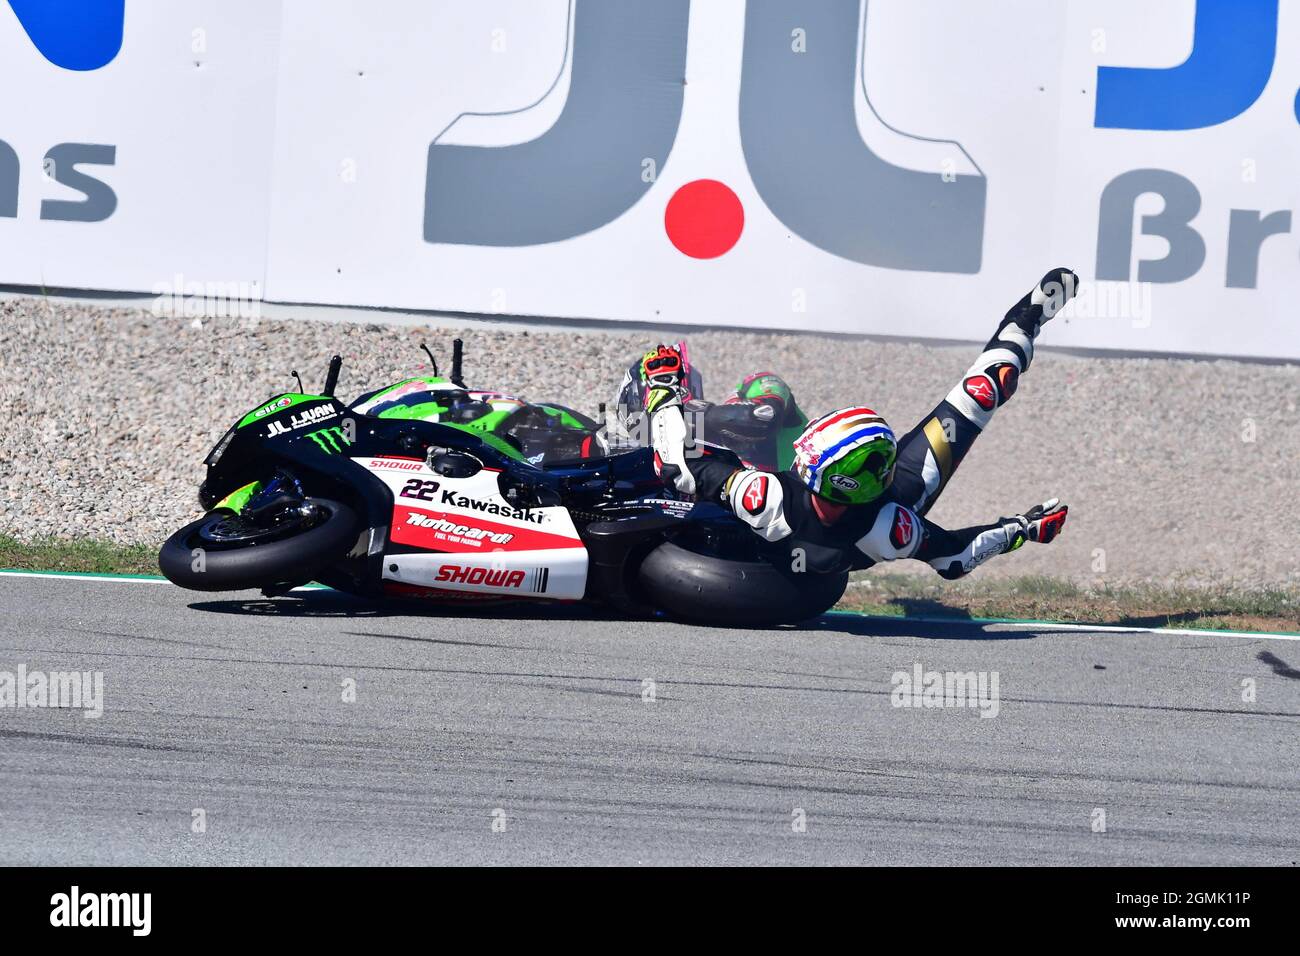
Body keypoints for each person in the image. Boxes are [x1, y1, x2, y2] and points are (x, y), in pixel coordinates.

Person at [639, 269, 1077, 579]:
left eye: (810, 453)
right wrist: (1023, 529)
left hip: (753, 542)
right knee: (983, 391)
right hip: (897, 495)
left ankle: (1026, 320)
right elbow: (955, 558)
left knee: (982, 390)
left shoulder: (768, 499)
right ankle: (1026, 322)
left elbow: (672, 462)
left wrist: (661, 389)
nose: (803, 452)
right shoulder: (892, 529)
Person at [605, 342, 809, 471]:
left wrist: (694, 416)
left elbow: (763, 417)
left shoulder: (756, 384)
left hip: (811, 500)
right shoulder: (694, 458)